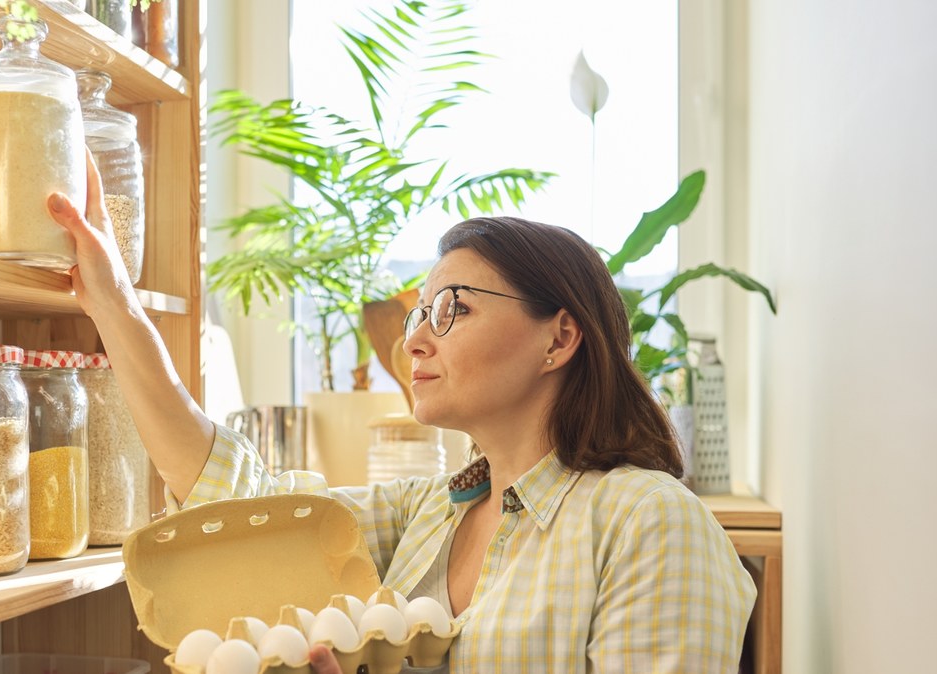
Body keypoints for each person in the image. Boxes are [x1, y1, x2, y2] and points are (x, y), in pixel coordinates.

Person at [46, 154, 756, 673]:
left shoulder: (648, 520)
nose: (412, 336)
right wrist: (114, 301)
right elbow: (238, 500)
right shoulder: (433, 513)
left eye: (455, 309)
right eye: (419, 310)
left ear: (560, 337)